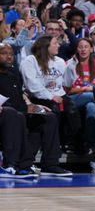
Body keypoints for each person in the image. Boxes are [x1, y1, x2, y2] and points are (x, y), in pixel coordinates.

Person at [0, 42, 57, 179]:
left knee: (48, 116)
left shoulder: (14, 72)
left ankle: (49, 164)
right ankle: (11, 165)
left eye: (11, 54)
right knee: (15, 115)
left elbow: (20, 96)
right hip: (5, 113)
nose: (9, 57)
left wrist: (31, 105)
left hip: (18, 109)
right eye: (4, 54)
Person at [19, 35, 72, 176]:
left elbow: (65, 83)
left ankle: (38, 162)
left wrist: (73, 66)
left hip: (55, 97)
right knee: (49, 117)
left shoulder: (60, 61)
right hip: (33, 100)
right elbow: (32, 87)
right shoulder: (30, 61)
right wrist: (51, 97)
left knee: (72, 112)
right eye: (55, 43)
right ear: (45, 46)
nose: (58, 46)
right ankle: (49, 163)